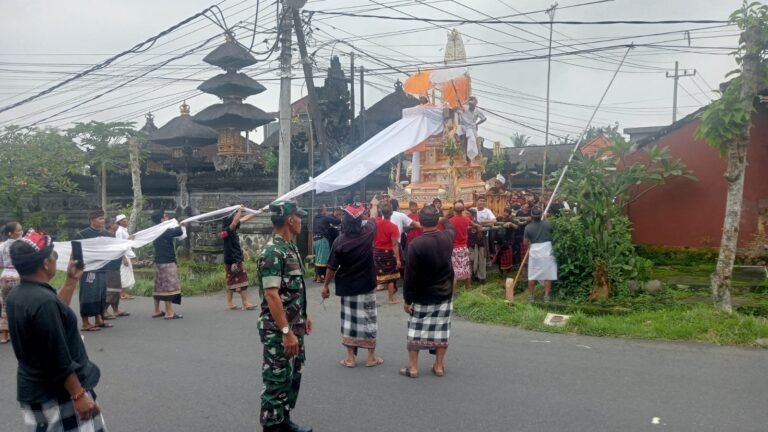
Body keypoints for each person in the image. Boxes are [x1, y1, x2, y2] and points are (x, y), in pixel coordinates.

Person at [7, 231, 107, 431]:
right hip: (58, 394)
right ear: (45, 263)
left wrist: (71, 281)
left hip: (37, 389)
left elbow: (54, 316)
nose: (56, 259)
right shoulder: (43, 302)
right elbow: (56, 355)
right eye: (53, 255)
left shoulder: (19, 293)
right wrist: (78, 395)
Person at [257, 200, 313, 432]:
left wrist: (303, 316)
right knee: (276, 379)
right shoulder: (273, 252)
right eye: (299, 216)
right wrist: (286, 332)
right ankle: (272, 426)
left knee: (290, 376)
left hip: (293, 325)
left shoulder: (289, 248)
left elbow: (293, 291)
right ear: (290, 220)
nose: (302, 220)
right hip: (279, 330)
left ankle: (283, 421)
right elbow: (272, 296)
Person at [321, 197, 384, 369]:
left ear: (345, 221)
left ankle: (350, 358)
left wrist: (325, 285)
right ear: (359, 221)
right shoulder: (368, 232)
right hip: (367, 285)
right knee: (369, 319)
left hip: (348, 287)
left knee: (349, 321)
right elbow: (372, 217)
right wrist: (375, 205)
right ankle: (371, 358)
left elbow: (331, 267)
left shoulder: (340, 242)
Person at [400, 205, 455, 378]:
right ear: (436, 221)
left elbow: (409, 276)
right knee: (442, 330)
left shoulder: (415, 245)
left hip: (423, 295)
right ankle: (438, 367)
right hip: (444, 292)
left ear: (420, 222)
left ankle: (413, 368)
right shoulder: (448, 237)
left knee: (416, 331)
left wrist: (407, 300)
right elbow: (451, 226)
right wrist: (444, 219)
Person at [74, 210, 113, 332]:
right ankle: (85, 323)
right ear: (91, 220)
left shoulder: (106, 234)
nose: (103, 221)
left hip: (102, 268)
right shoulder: (82, 235)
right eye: (100, 218)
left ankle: (98, 319)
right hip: (88, 269)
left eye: (103, 218)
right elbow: (76, 251)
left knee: (100, 294)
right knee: (88, 295)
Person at [221, 206, 258, 311]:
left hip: (230, 259)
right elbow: (235, 222)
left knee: (231, 281)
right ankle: (246, 303)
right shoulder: (227, 230)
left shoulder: (230, 229)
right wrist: (239, 211)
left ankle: (229, 303)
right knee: (243, 281)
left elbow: (244, 219)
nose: (235, 219)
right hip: (234, 260)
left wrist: (256, 211)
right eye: (233, 217)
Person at [151, 210, 186, 320]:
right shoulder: (164, 230)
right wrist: (182, 225)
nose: (168, 218)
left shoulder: (155, 230)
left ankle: (157, 311)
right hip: (167, 263)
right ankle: (169, 312)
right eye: (165, 216)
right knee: (169, 287)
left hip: (158, 262)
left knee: (159, 287)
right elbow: (179, 232)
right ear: (161, 219)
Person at [524, 206, 557, 303]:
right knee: (548, 274)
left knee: (532, 274)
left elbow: (525, 242)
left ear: (531, 216)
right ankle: (546, 296)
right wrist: (546, 219)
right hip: (547, 249)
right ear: (541, 215)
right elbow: (553, 233)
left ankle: (530, 296)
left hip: (535, 251)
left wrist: (530, 244)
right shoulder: (548, 224)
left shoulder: (528, 227)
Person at [373, 204, 402, 305]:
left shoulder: (376, 224)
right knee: (391, 276)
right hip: (388, 253)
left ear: (382, 213)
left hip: (376, 251)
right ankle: (391, 299)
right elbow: (394, 245)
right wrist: (398, 259)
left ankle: (374, 294)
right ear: (391, 213)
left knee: (378, 272)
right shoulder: (393, 227)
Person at [0, 221, 23, 344]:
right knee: (21, 305)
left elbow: (1, 264)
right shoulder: (22, 244)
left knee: (5, 305)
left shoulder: (2, 246)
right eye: (18, 230)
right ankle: (21, 333)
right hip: (19, 276)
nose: (21, 232)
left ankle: (4, 335)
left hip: (4, 276)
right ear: (11, 233)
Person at [103, 219, 129, 320]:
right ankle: (104, 310)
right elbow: (117, 248)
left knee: (116, 288)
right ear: (110, 225)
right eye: (115, 223)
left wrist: (123, 257)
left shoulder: (113, 235)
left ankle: (115, 310)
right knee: (112, 289)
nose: (117, 225)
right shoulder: (108, 235)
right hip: (110, 266)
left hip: (115, 264)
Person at [311, 205, 341, 283]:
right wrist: (342, 219)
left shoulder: (315, 218)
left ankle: (316, 276)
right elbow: (336, 222)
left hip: (314, 239)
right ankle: (319, 277)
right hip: (322, 239)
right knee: (323, 259)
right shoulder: (325, 217)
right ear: (322, 210)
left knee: (318, 257)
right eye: (325, 210)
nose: (326, 211)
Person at [448, 202, 473, 291]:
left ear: (454, 210)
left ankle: (452, 296)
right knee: (466, 270)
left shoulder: (450, 221)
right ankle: (468, 291)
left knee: (455, 273)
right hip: (464, 248)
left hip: (454, 249)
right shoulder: (466, 219)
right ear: (463, 210)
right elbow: (474, 225)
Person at [114, 214, 135, 300]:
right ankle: (122, 293)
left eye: (126, 219)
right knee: (123, 274)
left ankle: (124, 292)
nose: (127, 221)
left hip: (127, 254)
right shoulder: (119, 231)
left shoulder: (124, 230)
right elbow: (119, 245)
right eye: (124, 220)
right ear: (120, 222)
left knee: (126, 274)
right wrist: (124, 258)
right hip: (123, 255)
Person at [494, 208, 519, 279]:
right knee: (499, 258)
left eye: (507, 212)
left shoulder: (512, 220)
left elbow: (517, 227)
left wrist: (511, 224)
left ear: (510, 214)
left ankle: (508, 274)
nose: (506, 214)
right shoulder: (499, 218)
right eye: (505, 212)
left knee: (508, 259)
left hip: (507, 242)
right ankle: (501, 274)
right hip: (499, 242)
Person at [467, 209, 486, 283]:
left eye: (468, 214)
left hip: (479, 245)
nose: (466, 215)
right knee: (470, 262)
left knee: (481, 262)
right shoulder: (467, 223)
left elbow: (482, 235)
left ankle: (481, 278)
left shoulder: (477, 223)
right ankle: (471, 277)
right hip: (470, 245)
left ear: (472, 215)